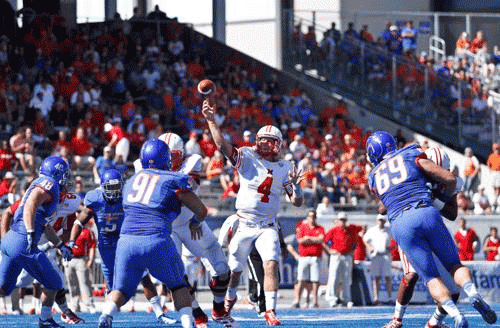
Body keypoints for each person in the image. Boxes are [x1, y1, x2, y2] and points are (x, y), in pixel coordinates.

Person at [366, 131, 496, 327]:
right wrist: (438, 192)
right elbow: (450, 182)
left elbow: (385, 204)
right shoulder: (413, 156)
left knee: (431, 279)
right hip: (426, 213)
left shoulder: (374, 176)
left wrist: (437, 194)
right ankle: (473, 293)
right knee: (454, 266)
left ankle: (455, 316)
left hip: (402, 223)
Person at [202, 98, 303, 326]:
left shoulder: (286, 168)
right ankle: (228, 300)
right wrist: (211, 122)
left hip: (267, 226)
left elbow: (297, 202)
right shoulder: (247, 157)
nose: (265, 145)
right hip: (244, 223)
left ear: (278, 144)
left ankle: (270, 310)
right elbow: (221, 146)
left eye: (270, 142)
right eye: (263, 141)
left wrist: (296, 188)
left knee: (271, 264)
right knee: (234, 271)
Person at [97, 139, 207, 328]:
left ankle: (106, 315)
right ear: (166, 159)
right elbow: (201, 211)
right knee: (178, 285)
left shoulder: (131, 180)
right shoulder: (173, 179)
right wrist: (195, 222)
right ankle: (189, 324)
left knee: (121, 290)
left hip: (127, 242)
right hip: (156, 239)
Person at [133, 132, 234, 328]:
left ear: (183, 154)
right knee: (175, 274)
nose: (171, 161)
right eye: (167, 156)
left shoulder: (193, 161)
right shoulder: (142, 164)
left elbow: (185, 188)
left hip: (191, 222)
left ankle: (218, 306)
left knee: (221, 267)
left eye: (175, 156)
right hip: (166, 226)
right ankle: (195, 310)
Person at [69, 168, 176, 325]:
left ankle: (160, 314)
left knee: (143, 275)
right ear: (102, 186)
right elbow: (79, 222)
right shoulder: (95, 198)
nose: (114, 192)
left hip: (126, 242)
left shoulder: (129, 197)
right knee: (113, 289)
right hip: (106, 247)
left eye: (116, 187)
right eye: (110, 188)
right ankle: (107, 316)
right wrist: (72, 241)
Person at [0, 156, 74, 328]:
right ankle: (46, 320)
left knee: (4, 288)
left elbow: (46, 226)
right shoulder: (49, 183)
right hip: (23, 242)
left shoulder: (42, 183)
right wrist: (31, 231)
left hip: (11, 240)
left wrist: (61, 246)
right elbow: (31, 204)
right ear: (56, 172)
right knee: (55, 282)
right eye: (63, 173)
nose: (65, 178)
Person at [323, 211, 358, 308]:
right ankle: (332, 298)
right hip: (336, 255)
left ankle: (346, 299)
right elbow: (324, 241)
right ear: (337, 221)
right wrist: (329, 251)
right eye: (341, 220)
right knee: (334, 277)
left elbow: (355, 244)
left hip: (347, 256)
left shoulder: (350, 231)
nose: (342, 222)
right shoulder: (333, 230)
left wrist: (352, 254)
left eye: (344, 220)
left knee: (347, 278)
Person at [292, 209, 324, 309]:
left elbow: (321, 239)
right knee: (301, 279)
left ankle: (315, 301)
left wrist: (308, 238)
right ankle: (297, 300)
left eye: (314, 216)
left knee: (315, 280)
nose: (312, 218)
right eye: (310, 216)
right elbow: (300, 240)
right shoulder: (302, 227)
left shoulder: (320, 228)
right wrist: (314, 239)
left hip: (315, 257)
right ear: (307, 217)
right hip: (304, 257)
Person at [363, 214, 392, 305]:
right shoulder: (372, 230)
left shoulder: (389, 229)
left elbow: (397, 239)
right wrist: (370, 247)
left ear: (384, 221)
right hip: (375, 255)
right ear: (376, 221)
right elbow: (364, 239)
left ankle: (390, 297)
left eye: (382, 220)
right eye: (379, 220)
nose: (380, 222)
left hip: (386, 255)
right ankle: (376, 298)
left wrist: (392, 247)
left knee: (387, 277)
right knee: (376, 278)